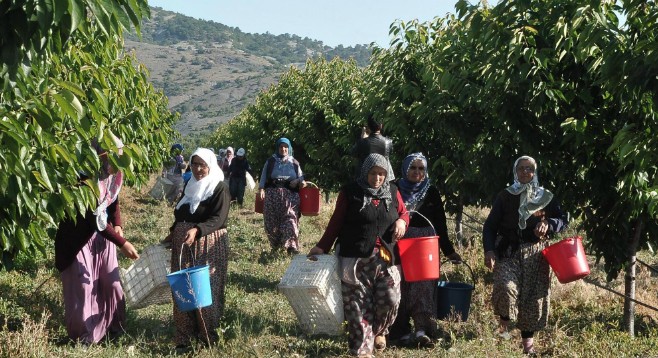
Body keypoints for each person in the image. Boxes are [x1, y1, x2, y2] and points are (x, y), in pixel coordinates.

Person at [308, 153, 409, 357]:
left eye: (382, 174)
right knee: (358, 306)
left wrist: (402, 222)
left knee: (390, 298)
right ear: (365, 172)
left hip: (386, 258)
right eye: (373, 173)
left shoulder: (392, 190)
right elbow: (336, 222)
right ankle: (362, 350)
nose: (378, 178)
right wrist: (322, 246)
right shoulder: (351, 192)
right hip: (355, 257)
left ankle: (379, 331)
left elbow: (404, 212)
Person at [54, 133, 140, 345]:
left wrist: (118, 224)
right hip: (79, 240)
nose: (115, 165)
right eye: (111, 159)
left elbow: (113, 200)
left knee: (112, 283)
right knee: (83, 287)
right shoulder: (83, 179)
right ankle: (84, 335)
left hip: (102, 238)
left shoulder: (111, 175)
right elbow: (94, 219)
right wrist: (123, 243)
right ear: (99, 156)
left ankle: (114, 326)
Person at [482, 155, 567, 355]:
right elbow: (490, 226)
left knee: (533, 300)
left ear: (535, 172)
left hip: (536, 254)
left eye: (529, 169)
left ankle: (528, 349)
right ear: (515, 171)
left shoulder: (545, 197)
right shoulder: (505, 196)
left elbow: (563, 219)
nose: (525, 172)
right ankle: (503, 327)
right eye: (521, 168)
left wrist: (549, 224)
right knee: (505, 287)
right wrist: (489, 250)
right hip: (509, 251)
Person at [388, 152, 462, 347]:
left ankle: (423, 330)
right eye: (413, 168)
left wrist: (448, 250)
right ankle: (400, 330)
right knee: (401, 284)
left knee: (424, 286)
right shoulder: (393, 189)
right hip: (399, 241)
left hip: (425, 245)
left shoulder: (431, 191)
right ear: (405, 168)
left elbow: (440, 223)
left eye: (421, 168)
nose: (417, 172)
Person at [164, 147, 231, 351]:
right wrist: (173, 231)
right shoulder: (189, 185)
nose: (198, 169)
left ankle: (207, 337)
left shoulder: (219, 188)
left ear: (210, 165)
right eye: (194, 164)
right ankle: (184, 337)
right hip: (184, 243)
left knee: (204, 289)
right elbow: (182, 213)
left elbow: (218, 219)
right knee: (183, 288)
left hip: (207, 244)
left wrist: (197, 230)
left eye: (202, 165)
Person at [258, 138, 306, 254]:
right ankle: (276, 246)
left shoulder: (294, 162)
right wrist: (261, 189)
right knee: (271, 222)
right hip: (272, 195)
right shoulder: (271, 161)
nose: (283, 149)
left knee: (290, 219)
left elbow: (301, 177)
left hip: (290, 195)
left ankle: (291, 246)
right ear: (278, 148)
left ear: (289, 148)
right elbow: (264, 176)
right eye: (281, 147)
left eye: (285, 147)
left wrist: (298, 181)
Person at [351, 115, 394, 180]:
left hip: (364, 178)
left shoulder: (362, 142)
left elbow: (353, 153)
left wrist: (362, 138)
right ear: (381, 126)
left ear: (368, 126)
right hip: (382, 177)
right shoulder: (388, 142)